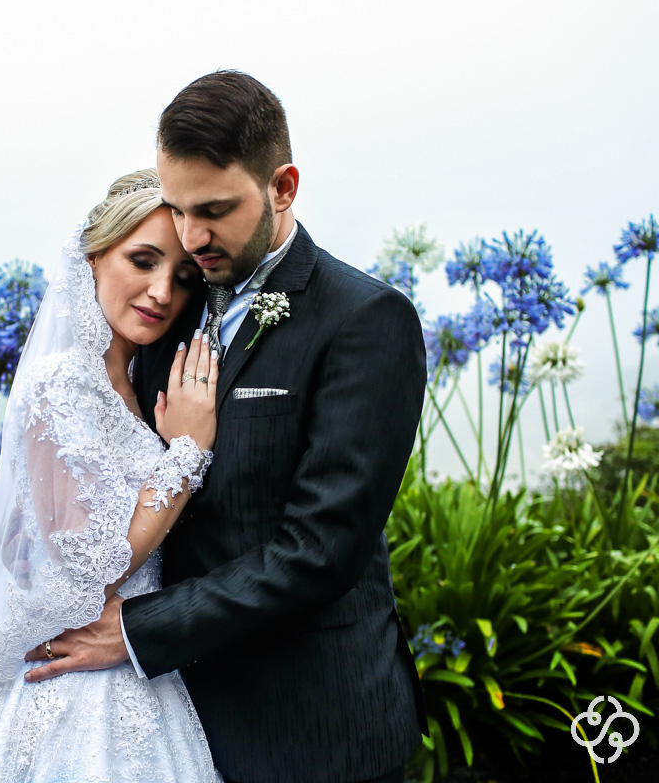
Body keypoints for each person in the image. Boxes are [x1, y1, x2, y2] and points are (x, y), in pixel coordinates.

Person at [22, 72, 430, 783]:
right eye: (178, 210)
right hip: (168, 723)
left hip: (308, 727)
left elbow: (320, 550)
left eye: (214, 210)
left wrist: (135, 632)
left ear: (283, 187)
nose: (192, 237)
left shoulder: (365, 321)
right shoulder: (173, 304)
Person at [0, 169, 226, 783]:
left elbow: (30, 539)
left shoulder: (132, 388)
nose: (163, 291)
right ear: (94, 257)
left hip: (130, 662)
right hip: (82, 676)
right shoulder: (62, 383)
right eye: (142, 261)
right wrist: (186, 455)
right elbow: (88, 569)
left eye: (183, 277)